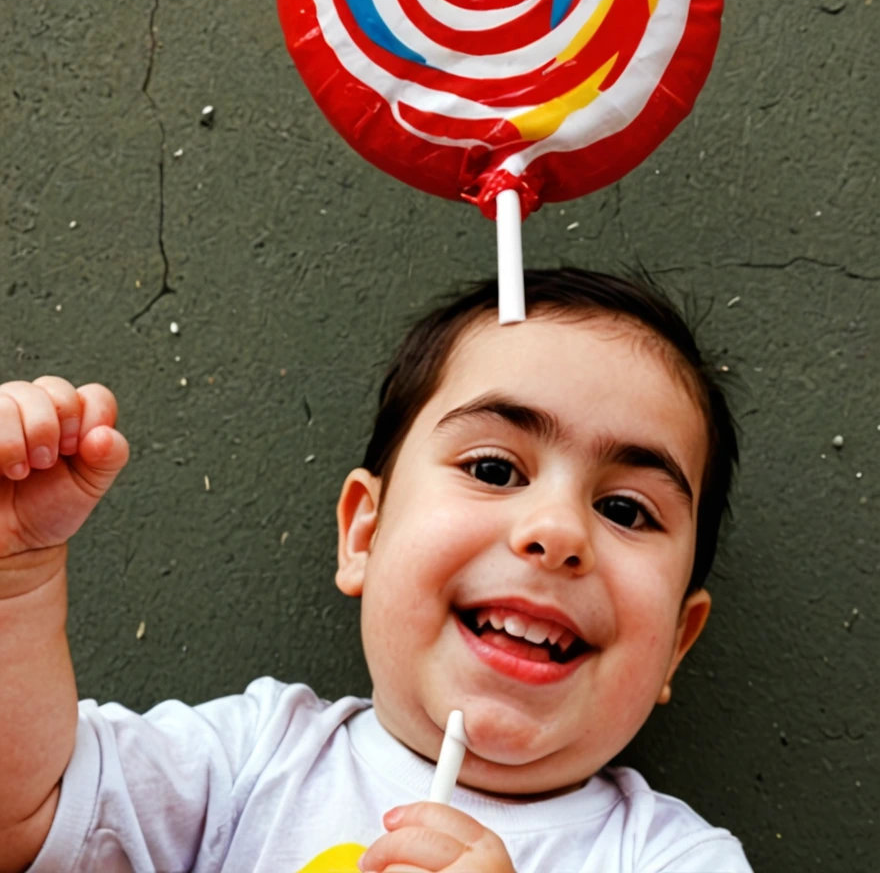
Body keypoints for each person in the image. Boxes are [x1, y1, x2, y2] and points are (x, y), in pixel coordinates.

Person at [0, 268, 753, 873]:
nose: (557, 533)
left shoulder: (674, 859)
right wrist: (16, 581)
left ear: (678, 642)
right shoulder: (251, 764)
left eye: (626, 511)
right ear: (364, 531)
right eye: (494, 467)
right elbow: (24, 817)